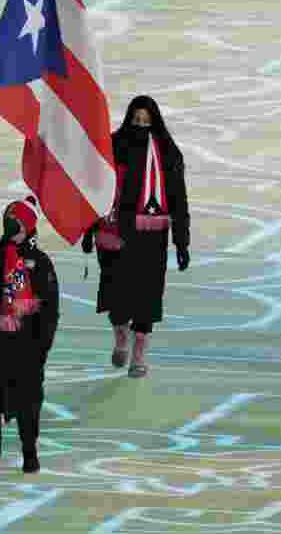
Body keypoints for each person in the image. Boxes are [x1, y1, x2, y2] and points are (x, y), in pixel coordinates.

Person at [82, 95, 190, 378]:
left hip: (150, 237)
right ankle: (120, 334)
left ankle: (139, 352)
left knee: (146, 294)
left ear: (155, 122)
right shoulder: (113, 146)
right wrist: (87, 228)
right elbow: (96, 190)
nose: (141, 125)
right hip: (115, 232)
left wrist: (182, 241)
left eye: (146, 121)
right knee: (116, 294)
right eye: (136, 120)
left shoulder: (167, 152)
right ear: (129, 119)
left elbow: (179, 198)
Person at [0, 196, 60, 486]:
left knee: (28, 404)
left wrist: (41, 349)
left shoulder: (40, 264)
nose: (9, 226)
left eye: (15, 223)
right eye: (7, 221)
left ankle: (30, 450)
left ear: (28, 226)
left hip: (25, 348)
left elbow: (49, 312)